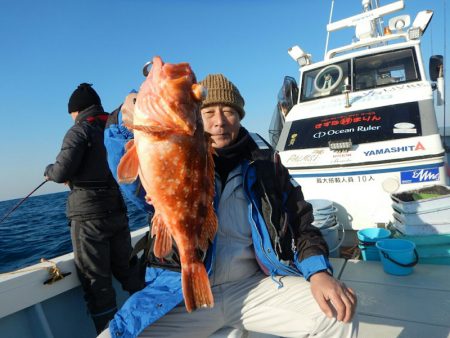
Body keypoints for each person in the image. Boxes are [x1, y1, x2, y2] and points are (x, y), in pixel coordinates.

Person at [100, 75, 358, 338]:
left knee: (338, 314)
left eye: (230, 112)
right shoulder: (175, 159)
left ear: (240, 116)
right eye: (209, 111)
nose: (219, 121)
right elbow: (131, 174)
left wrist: (318, 273)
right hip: (180, 292)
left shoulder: (267, 164)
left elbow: (301, 223)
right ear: (195, 118)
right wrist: (124, 118)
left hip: (252, 287)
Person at [44, 83, 144, 334]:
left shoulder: (79, 131)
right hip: (118, 212)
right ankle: (156, 321)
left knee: (97, 286)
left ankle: (108, 333)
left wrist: (49, 171)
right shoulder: (114, 127)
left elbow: (61, 172)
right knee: (129, 271)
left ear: (76, 111)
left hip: (89, 219)